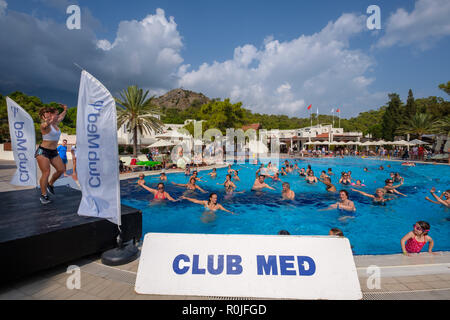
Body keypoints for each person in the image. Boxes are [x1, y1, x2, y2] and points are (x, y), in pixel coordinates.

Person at [35, 104, 67, 204]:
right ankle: (43, 195)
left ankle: (50, 184)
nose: (57, 116)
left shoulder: (56, 123)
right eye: (55, 114)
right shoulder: (44, 125)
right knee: (46, 172)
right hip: (42, 151)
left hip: (53, 151)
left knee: (61, 170)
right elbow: (45, 125)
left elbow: (61, 116)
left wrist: (65, 109)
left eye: (56, 115)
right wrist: (47, 122)